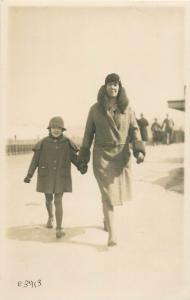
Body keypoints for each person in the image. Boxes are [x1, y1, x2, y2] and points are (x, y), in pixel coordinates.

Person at [78, 73, 145, 247]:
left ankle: (106, 220)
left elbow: (134, 130)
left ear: (119, 87)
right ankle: (113, 234)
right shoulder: (95, 109)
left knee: (109, 194)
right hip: (102, 157)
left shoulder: (127, 108)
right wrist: (83, 157)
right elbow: (88, 135)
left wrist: (138, 150)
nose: (113, 88)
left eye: (116, 85)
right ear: (105, 87)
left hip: (121, 155)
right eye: (110, 84)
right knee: (108, 193)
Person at [24, 116, 86, 238]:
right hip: (46, 177)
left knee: (58, 201)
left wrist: (81, 166)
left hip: (61, 177)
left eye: (59, 128)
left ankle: (59, 228)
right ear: (49, 129)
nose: (56, 130)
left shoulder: (67, 143)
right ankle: (51, 216)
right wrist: (29, 175)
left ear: (62, 129)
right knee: (48, 200)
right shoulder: (43, 143)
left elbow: (74, 158)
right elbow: (35, 160)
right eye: (54, 128)